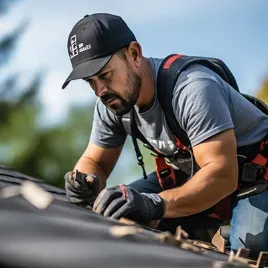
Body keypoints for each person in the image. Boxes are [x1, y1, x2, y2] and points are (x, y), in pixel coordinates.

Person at [62, 13, 268, 255]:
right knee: (119, 212)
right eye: (90, 82)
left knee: (251, 254)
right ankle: (196, 226)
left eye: (105, 75)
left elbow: (222, 174)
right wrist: (85, 182)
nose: (100, 91)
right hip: (194, 173)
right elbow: (95, 161)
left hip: (256, 177)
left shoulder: (192, 88)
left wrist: (155, 204)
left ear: (134, 54)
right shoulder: (113, 102)